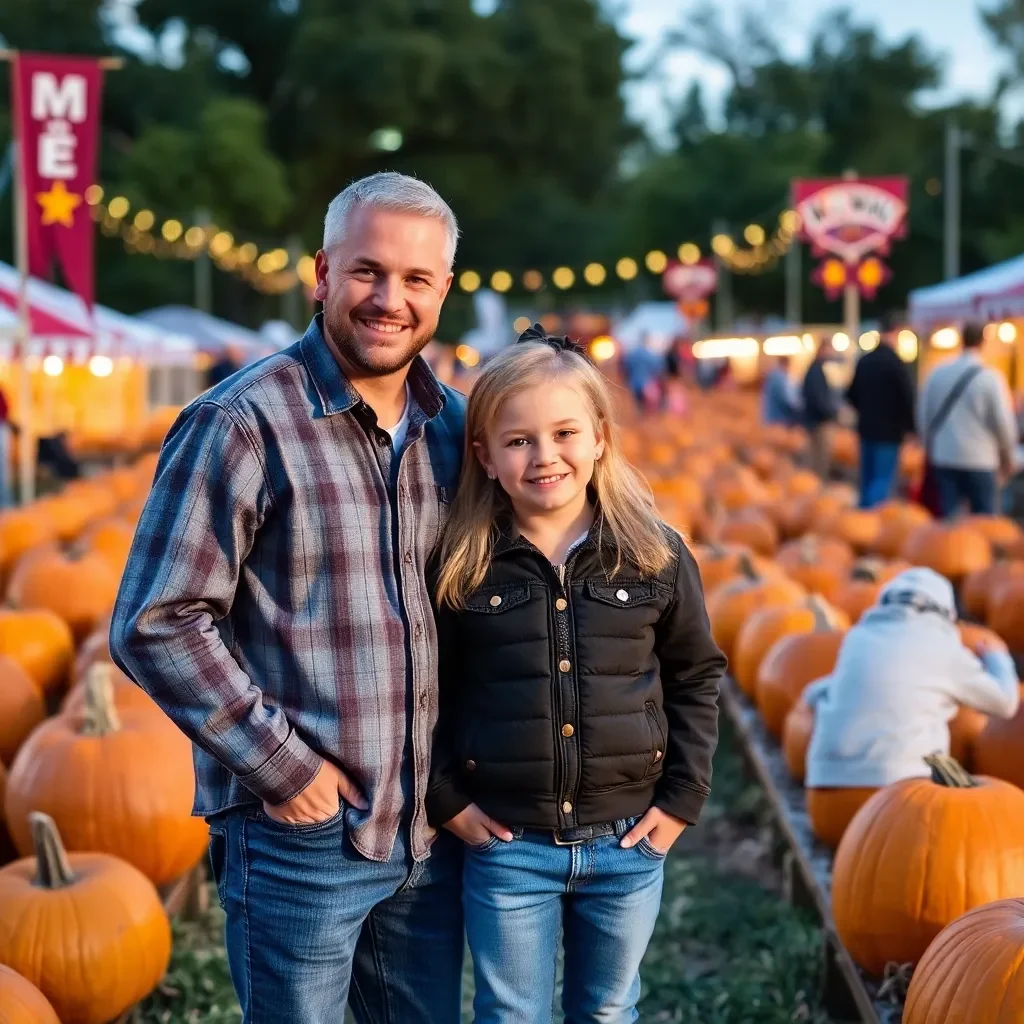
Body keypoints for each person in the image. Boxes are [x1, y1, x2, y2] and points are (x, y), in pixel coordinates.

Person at [109, 172, 468, 1024]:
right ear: (321, 272)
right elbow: (156, 621)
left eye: (417, 279)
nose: (390, 299)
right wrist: (286, 770)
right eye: (367, 271)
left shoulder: (457, 427)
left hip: (431, 835)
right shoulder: (239, 423)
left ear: (444, 290)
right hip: (302, 840)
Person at [426, 328, 726, 1023]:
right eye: (519, 440)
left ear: (599, 438)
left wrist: (682, 799)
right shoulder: (466, 564)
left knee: (607, 1010)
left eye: (564, 433)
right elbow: (427, 691)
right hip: (508, 844)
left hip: (627, 841)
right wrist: (446, 798)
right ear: (486, 456)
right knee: (510, 1012)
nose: (545, 457)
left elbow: (694, 676)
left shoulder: (652, 554)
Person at [804, 567, 1019, 849]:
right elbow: (1004, 703)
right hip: (897, 803)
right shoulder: (943, 648)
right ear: (947, 615)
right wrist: (998, 658)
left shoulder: (857, 639)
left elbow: (812, 694)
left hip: (826, 801)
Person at [917, 321, 1018, 517]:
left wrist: (928, 445)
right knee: (983, 520)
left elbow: (923, 414)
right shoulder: (990, 378)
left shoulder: (938, 372)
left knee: (949, 520)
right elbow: (1003, 423)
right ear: (983, 342)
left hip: (944, 455)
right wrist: (1008, 455)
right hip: (980, 458)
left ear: (961, 340)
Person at [844, 314, 916, 508]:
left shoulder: (864, 361)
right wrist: (911, 428)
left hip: (866, 429)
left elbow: (850, 395)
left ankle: (862, 518)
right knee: (882, 480)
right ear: (895, 334)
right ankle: (871, 520)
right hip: (889, 432)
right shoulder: (897, 364)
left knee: (867, 478)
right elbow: (908, 399)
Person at [801, 340, 840, 479]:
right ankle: (817, 487)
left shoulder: (815, 369)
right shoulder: (816, 371)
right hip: (819, 421)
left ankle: (816, 485)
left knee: (818, 457)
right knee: (820, 458)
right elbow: (818, 398)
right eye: (830, 349)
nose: (832, 353)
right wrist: (831, 413)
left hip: (814, 420)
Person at [761, 355, 801, 426]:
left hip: (774, 418)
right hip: (777, 419)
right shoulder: (778, 377)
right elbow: (786, 399)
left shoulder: (775, 376)